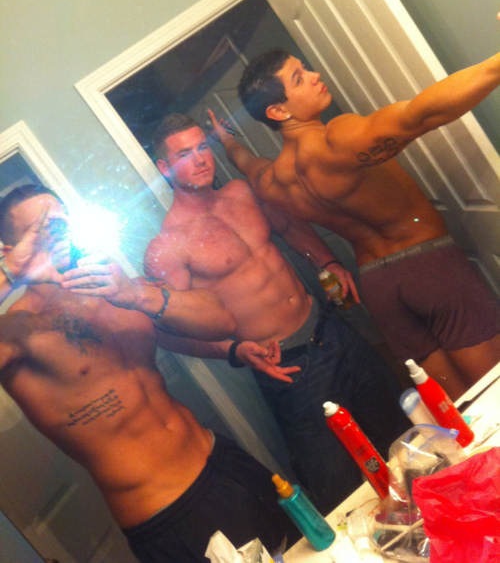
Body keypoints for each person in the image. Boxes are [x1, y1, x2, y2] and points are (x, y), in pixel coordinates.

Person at [0, 184, 299, 563]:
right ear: (10, 249)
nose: (56, 236)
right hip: (169, 511)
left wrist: (229, 348)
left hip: (223, 460)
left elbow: (221, 319)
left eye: (61, 224)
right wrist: (10, 272)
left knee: (309, 551)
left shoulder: (114, 286)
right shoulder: (16, 331)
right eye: (39, 232)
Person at [143, 114, 409, 514]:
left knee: (401, 436)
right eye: (184, 154)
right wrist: (234, 351)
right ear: (164, 168)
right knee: (341, 487)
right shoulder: (168, 247)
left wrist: (327, 261)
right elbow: (166, 331)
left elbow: (287, 226)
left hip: (330, 330)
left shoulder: (240, 192)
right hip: (288, 368)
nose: (200, 159)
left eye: (203, 147)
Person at [209, 50, 500, 399]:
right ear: (278, 111)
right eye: (299, 78)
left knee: (460, 406)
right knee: (493, 393)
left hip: (380, 289)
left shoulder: (272, 180)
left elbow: (244, 161)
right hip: (430, 269)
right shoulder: (336, 138)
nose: (315, 75)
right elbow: (420, 114)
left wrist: (226, 140)